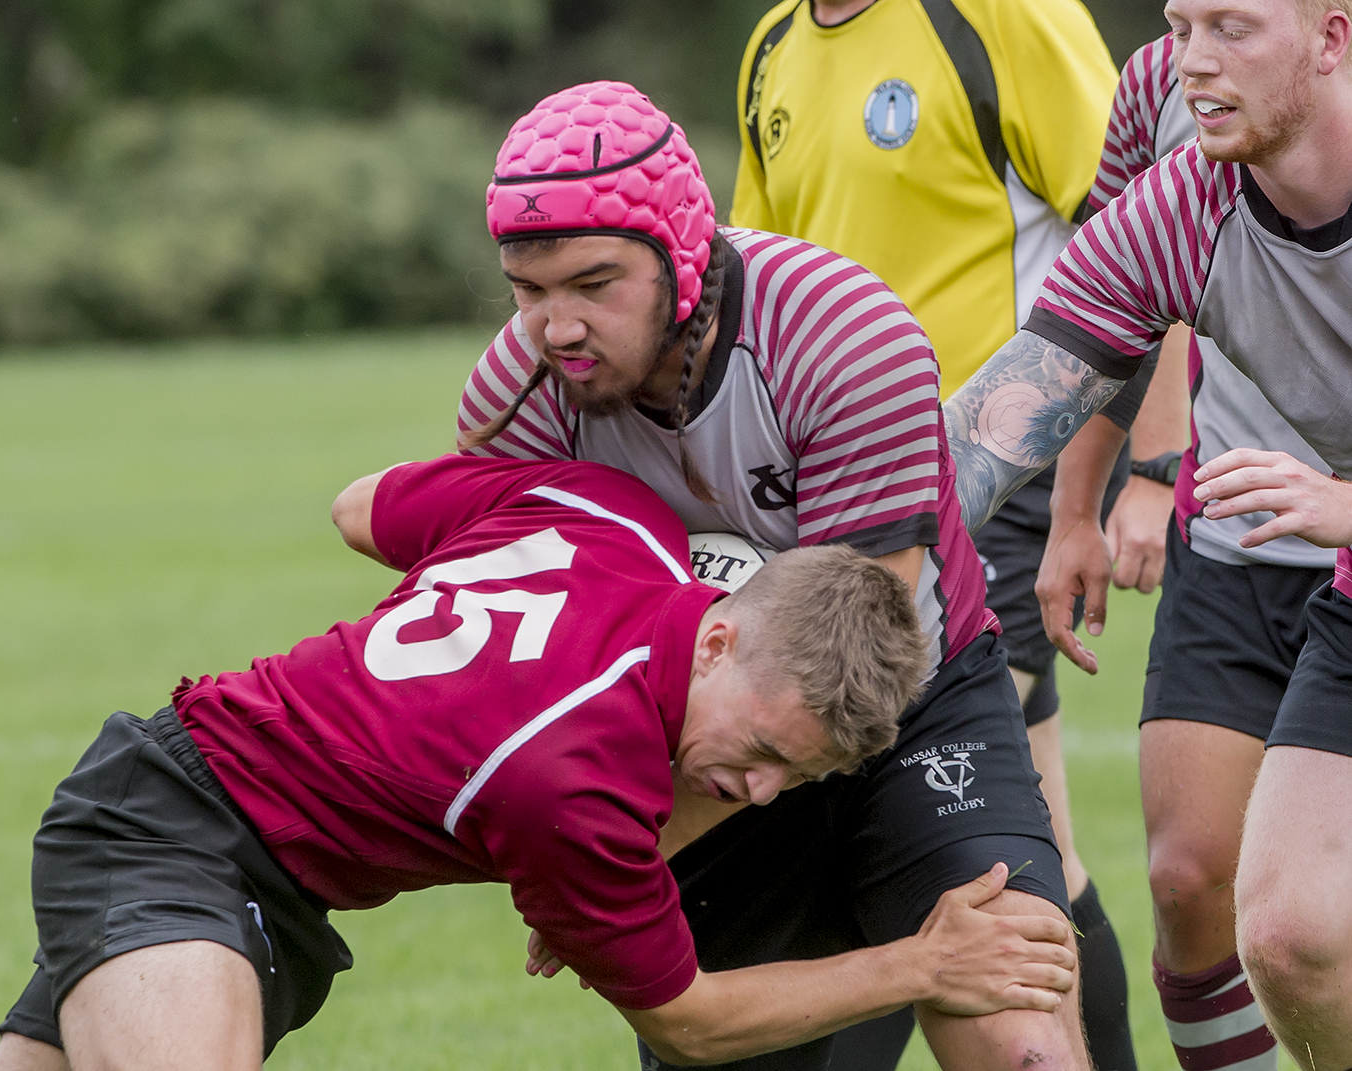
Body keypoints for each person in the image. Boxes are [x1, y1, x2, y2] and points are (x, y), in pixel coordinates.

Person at [0, 453, 1081, 1071]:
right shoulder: (575, 787)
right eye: (756, 755)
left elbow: (359, 509)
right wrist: (921, 966)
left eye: (788, 782)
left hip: (260, 861)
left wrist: (424, 664)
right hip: (166, 831)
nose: (754, 797)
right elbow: (689, 1021)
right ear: (717, 634)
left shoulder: (604, 509)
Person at [460, 81, 1090, 1071]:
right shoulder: (521, 402)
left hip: (909, 697)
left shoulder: (841, 337)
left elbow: (843, 669)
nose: (558, 330)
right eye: (528, 291)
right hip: (709, 743)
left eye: (593, 284)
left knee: (1022, 1041)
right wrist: (588, 842)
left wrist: (630, 855)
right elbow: (535, 660)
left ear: (682, 254)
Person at [728, 0, 1144, 1063]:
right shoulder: (774, 44)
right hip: (824, 509)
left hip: (984, 489)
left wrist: (1110, 487)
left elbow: (1144, 238)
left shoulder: (1002, 15)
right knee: (1037, 843)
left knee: (902, 817)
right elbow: (749, 279)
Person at [942, 0, 1352, 1065]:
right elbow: (1008, 411)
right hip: (1303, 566)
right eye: (1181, 28)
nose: (1194, 65)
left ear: (1333, 36)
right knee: (1287, 933)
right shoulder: (1180, 207)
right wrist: (848, 545)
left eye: (1232, 29)